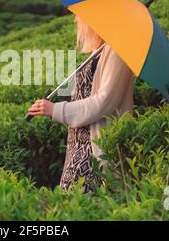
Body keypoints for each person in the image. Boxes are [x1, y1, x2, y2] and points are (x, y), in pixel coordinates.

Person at [27, 15, 134, 193]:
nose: (75, 20)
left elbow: (104, 102)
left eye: (80, 16)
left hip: (94, 150)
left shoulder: (117, 52)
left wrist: (56, 109)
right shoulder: (100, 49)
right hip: (77, 146)